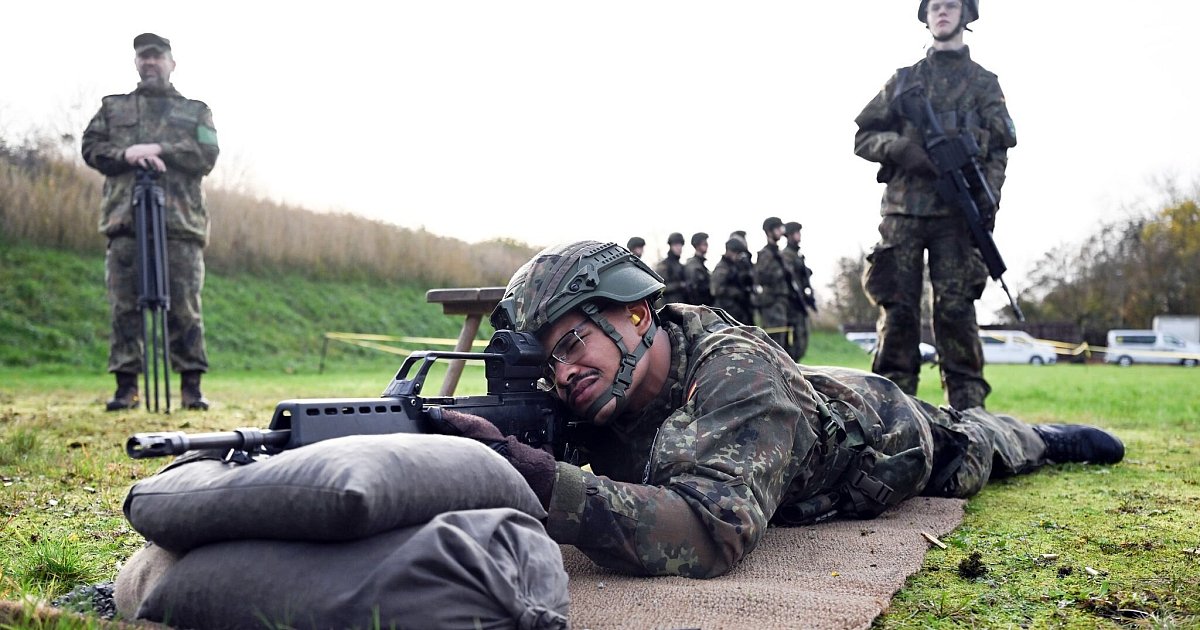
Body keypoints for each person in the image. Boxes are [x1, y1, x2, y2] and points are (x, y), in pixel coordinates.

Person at [430, 241, 1124, 579]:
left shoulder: (738, 376)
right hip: (791, 409)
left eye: (574, 341)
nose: (564, 371)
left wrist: (548, 483)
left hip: (879, 440)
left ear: (637, 313)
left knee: (970, 446)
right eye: (546, 359)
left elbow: (708, 533)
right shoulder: (591, 390)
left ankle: (1038, 436)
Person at [853, 0, 1016, 410]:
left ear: (966, 15)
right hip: (903, 213)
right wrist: (899, 148)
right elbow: (863, 138)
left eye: (951, 5)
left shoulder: (984, 84)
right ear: (925, 17)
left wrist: (988, 196)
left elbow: (1000, 148)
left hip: (957, 217)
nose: (942, 12)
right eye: (935, 6)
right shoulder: (904, 81)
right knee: (899, 313)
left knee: (956, 313)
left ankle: (970, 415)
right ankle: (889, 414)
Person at [82, 33, 219, 411]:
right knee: (124, 306)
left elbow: (207, 154)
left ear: (172, 62)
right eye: (143, 57)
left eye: (157, 56)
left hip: (180, 224)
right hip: (125, 221)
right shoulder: (114, 108)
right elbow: (91, 147)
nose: (150, 62)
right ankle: (127, 388)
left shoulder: (195, 110)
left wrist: (160, 149)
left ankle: (192, 388)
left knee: (185, 307)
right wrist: (127, 153)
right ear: (136, 63)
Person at [753, 217, 792, 352]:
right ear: (769, 232)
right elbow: (760, 277)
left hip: (781, 303)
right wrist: (780, 274)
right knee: (773, 343)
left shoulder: (779, 254)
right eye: (777, 228)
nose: (781, 231)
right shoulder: (766, 254)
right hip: (771, 303)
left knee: (783, 343)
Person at [781, 221, 816, 361]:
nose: (799, 236)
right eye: (796, 233)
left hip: (800, 305)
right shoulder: (786, 255)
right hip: (792, 306)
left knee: (802, 342)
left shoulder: (798, 255)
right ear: (789, 235)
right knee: (794, 344)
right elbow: (789, 280)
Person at [710, 238, 755, 325]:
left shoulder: (735, 266)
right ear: (729, 251)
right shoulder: (722, 268)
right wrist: (735, 292)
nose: (737, 255)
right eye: (736, 252)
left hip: (739, 309)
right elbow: (715, 290)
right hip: (727, 310)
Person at [653, 232, 688, 307]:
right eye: (676, 245)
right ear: (671, 246)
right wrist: (679, 285)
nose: (679, 248)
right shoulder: (664, 265)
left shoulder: (681, 266)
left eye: (680, 245)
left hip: (681, 307)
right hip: (668, 308)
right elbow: (658, 288)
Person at [683, 232, 713, 307]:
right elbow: (694, 289)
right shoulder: (693, 265)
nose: (707, 245)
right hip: (699, 308)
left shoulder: (700, 264)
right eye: (704, 243)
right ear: (697, 245)